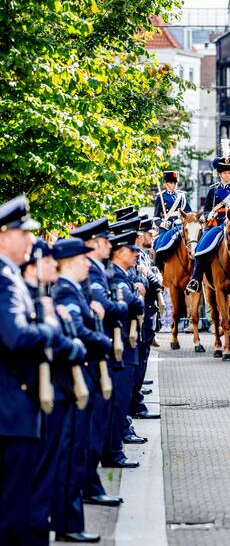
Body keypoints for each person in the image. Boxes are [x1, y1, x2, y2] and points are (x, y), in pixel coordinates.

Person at [0, 196, 79, 545]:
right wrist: (49, 329)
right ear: (4, 235)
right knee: (15, 514)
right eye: (23, 234)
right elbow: (15, 336)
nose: (31, 242)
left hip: (18, 408)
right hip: (11, 410)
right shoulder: (4, 280)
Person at [50, 238, 113, 544]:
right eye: (83, 259)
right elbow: (77, 331)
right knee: (72, 454)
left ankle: (69, 520)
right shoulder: (65, 290)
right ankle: (68, 522)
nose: (89, 263)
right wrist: (103, 341)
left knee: (77, 450)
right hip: (73, 379)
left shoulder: (73, 289)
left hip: (82, 375)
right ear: (71, 262)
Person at [69, 218, 136, 487]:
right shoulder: (94, 273)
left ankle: (93, 483)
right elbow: (109, 306)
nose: (111, 245)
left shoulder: (99, 271)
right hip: (99, 351)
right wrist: (122, 302)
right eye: (106, 242)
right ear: (92, 244)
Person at [186, 154, 230, 294]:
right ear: (219, 174)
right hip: (216, 225)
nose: (227, 175)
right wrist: (209, 215)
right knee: (200, 249)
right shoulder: (213, 189)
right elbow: (206, 209)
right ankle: (196, 279)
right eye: (225, 173)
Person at [107, 230, 146, 467]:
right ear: (120, 252)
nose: (135, 254)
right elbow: (133, 302)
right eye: (131, 251)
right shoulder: (116, 276)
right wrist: (137, 296)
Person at [132, 218, 161, 421]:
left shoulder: (145, 255)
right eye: (150, 234)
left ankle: (136, 400)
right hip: (143, 315)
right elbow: (153, 281)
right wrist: (153, 276)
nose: (153, 236)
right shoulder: (138, 256)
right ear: (140, 235)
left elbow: (157, 280)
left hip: (149, 313)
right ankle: (136, 404)